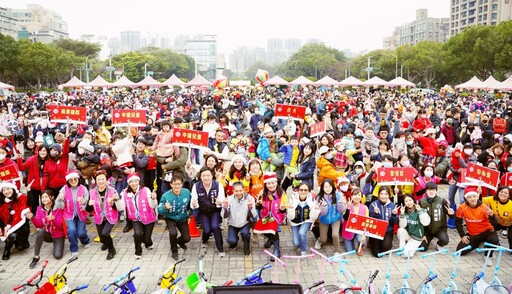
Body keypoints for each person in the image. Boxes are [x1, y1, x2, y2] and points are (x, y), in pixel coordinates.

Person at [455, 186, 499, 263]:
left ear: (477, 197)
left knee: (494, 239)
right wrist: (462, 235)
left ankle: (488, 255)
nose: (472, 199)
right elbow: (458, 222)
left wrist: (492, 216)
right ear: (466, 198)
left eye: (474, 196)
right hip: (473, 233)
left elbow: (495, 224)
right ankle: (478, 243)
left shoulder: (484, 207)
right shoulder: (462, 208)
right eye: (469, 197)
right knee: (460, 251)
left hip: (486, 231)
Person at [86, 171, 123, 260]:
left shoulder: (112, 190)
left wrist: (114, 201)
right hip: (99, 217)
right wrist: (88, 204)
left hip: (111, 216)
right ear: (95, 181)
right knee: (102, 238)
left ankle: (112, 249)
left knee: (105, 233)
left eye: (103, 179)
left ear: (107, 181)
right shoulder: (91, 192)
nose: (101, 181)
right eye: (99, 179)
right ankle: (106, 243)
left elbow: (119, 207)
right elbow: (89, 210)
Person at [190, 167, 226, 257]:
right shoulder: (196, 186)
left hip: (215, 211)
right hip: (203, 211)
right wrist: (194, 204)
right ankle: (204, 241)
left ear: (212, 176)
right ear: (200, 177)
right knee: (207, 229)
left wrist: (220, 202)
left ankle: (220, 249)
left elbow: (221, 199)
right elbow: (193, 201)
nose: (206, 177)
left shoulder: (218, 185)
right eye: (204, 176)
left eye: (208, 175)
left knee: (215, 227)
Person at [122, 173, 158, 259]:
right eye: (131, 182)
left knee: (146, 239)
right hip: (135, 218)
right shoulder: (125, 193)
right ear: (128, 183)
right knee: (137, 234)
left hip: (148, 216)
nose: (134, 183)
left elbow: (153, 205)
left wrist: (153, 199)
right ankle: (138, 251)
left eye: (136, 181)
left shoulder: (146, 190)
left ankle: (148, 243)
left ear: (139, 181)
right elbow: (121, 206)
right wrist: (115, 200)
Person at [254, 172, 288, 261]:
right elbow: (259, 206)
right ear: (265, 184)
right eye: (269, 183)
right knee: (262, 229)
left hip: (277, 216)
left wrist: (283, 209)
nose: (271, 185)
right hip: (265, 216)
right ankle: (271, 239)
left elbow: (284, 208)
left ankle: (277, 250)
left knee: (274, 230)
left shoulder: (282, 194)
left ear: (276, 183)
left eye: (273, 183)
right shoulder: (263, 193)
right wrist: (258, 205)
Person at [56, 170, 91, 256]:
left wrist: (83, 202)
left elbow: (88, 203)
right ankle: (74, 248)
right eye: (71, 180)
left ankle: (85, 240)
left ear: (78, 179)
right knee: (71, 230)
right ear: (68, 181)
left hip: (81, 213)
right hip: (69, 214)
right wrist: (60, 199)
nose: (73, 181)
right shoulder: (64, 189)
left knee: (81, 233)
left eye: (75, 179)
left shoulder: (84, 188)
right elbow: (59, 206)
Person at [158, 174, 191, 260]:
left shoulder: (186, 192)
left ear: (182, 184)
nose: (177, 186)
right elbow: (160, 209)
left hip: (182, 218)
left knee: (187, 238)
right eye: (175, 184)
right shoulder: (165, 196)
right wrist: (165, 207)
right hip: (170, 218)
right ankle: (174, 250)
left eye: (179, 184)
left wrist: (190, 215)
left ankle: (179, 242)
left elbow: (191, 205)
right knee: (173, 233)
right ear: (171, 184)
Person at [30, 190, 65, 268]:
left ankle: (58, 244)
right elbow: (39, 225)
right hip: (48, 234)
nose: (44, 199)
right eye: (42, 197)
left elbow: (61, 226)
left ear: (52, 197)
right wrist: (32, 218)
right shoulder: (39, 208)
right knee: (40, 231)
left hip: (58, 234)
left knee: (58, 256)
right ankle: (36, 257)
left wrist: (53, 219)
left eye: (46, 197)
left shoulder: (59, 207)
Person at [0, 181, 33, 260]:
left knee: (21, 247)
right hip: (7, 227)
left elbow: (30, 203)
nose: (6, 192)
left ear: (13, 189)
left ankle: (15, 241)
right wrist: (4, 226)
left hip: (21, 227)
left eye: (8, 189)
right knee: (12, 235)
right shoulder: (1, 201)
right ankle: (7, 250)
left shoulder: (21, 198)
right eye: (4, 190)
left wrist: (29, 191)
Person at [222, 181, 256, 256]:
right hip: (233, 223)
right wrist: (225, 207)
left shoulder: (250, 198)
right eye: (236, 191)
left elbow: (254, 215)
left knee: (245, 233)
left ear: (243, 190)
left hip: (245, 223)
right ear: (233, 191)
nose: (238, 193)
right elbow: (223, 216)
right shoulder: (229, 199)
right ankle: (235, 239)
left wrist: (250, 208)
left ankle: (246, 248)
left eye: (240, 190)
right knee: (231, 241)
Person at [419, 182, 455, 251]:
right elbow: (418, 218)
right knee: (422, 248)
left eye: (433, 190)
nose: (431, 192)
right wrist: (421, 233)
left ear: (436, 191)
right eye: (429, 190)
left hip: (439, 229)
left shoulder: (442, 201)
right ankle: (428, 239)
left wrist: (451, 214)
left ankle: (439, 244)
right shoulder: (421, 202)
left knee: (444, 240)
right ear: (426, 191)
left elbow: (452, 216)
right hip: (427, 230)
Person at [314, 178, 346, 255]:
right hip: (324, 219)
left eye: (329, 186)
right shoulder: (319, 197)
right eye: (325, 187)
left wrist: (341, 204)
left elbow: (342, 210)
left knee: (335, 234)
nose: (328, 189)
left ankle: (336, 251)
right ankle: (319, 240)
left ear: (333, 187)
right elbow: (321, 213)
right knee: (324, 239)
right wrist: (324, 206)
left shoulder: (338, 195)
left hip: (336, 218)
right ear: (322, 188)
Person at [288, 182, 320, 256]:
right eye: (301, 190)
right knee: (296, 243)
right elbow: (290, 217)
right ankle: (299, 245)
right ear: (297, 190)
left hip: (307, 220)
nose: (303, 192)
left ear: (309, 191)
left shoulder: (312, 200)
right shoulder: (292, 199)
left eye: (305, 190)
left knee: (302, 233)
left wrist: (316, 210)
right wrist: (290, 209)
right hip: (295, 221)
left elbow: (313, 217)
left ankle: (304, 250)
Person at [17, 145, 50, 214]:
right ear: (38, 151)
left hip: (46, 185)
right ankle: (36, 217)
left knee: (45, 202)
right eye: (41, 150)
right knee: (34, 203)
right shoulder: (32, 159)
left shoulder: (49, 160)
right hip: (34, 185)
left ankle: (45, 216)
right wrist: (19, 159)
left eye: (44, 151)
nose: (42, 152)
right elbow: (21, 168)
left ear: (47, 152)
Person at [368, 186, 398, 257]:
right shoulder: (373, 204)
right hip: (375, 231)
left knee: (386, 247)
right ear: (378, 195)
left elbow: (394, 222)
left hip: (387, 231)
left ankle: (384, 242)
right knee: (377, 254)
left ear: (389, 195)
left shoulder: (392, 205)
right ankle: (371, 242)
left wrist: (394, 215)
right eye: (381, 194)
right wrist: (375, 213)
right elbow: (370, 220)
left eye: (386, 194)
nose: (383, 196)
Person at [342, 188, 368, 255]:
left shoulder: (365, 207)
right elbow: (345, 218)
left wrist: (364, 235)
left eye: (359, 195)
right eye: (355, 195)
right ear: (351, 196)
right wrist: (348, 208)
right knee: (350, 252)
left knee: (362, 240)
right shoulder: (347, 205)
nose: (357, 197)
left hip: (359, 230)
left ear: (361, 197)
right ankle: (349, 242)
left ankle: (361, 246)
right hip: (348, 230)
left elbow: (366, 222)